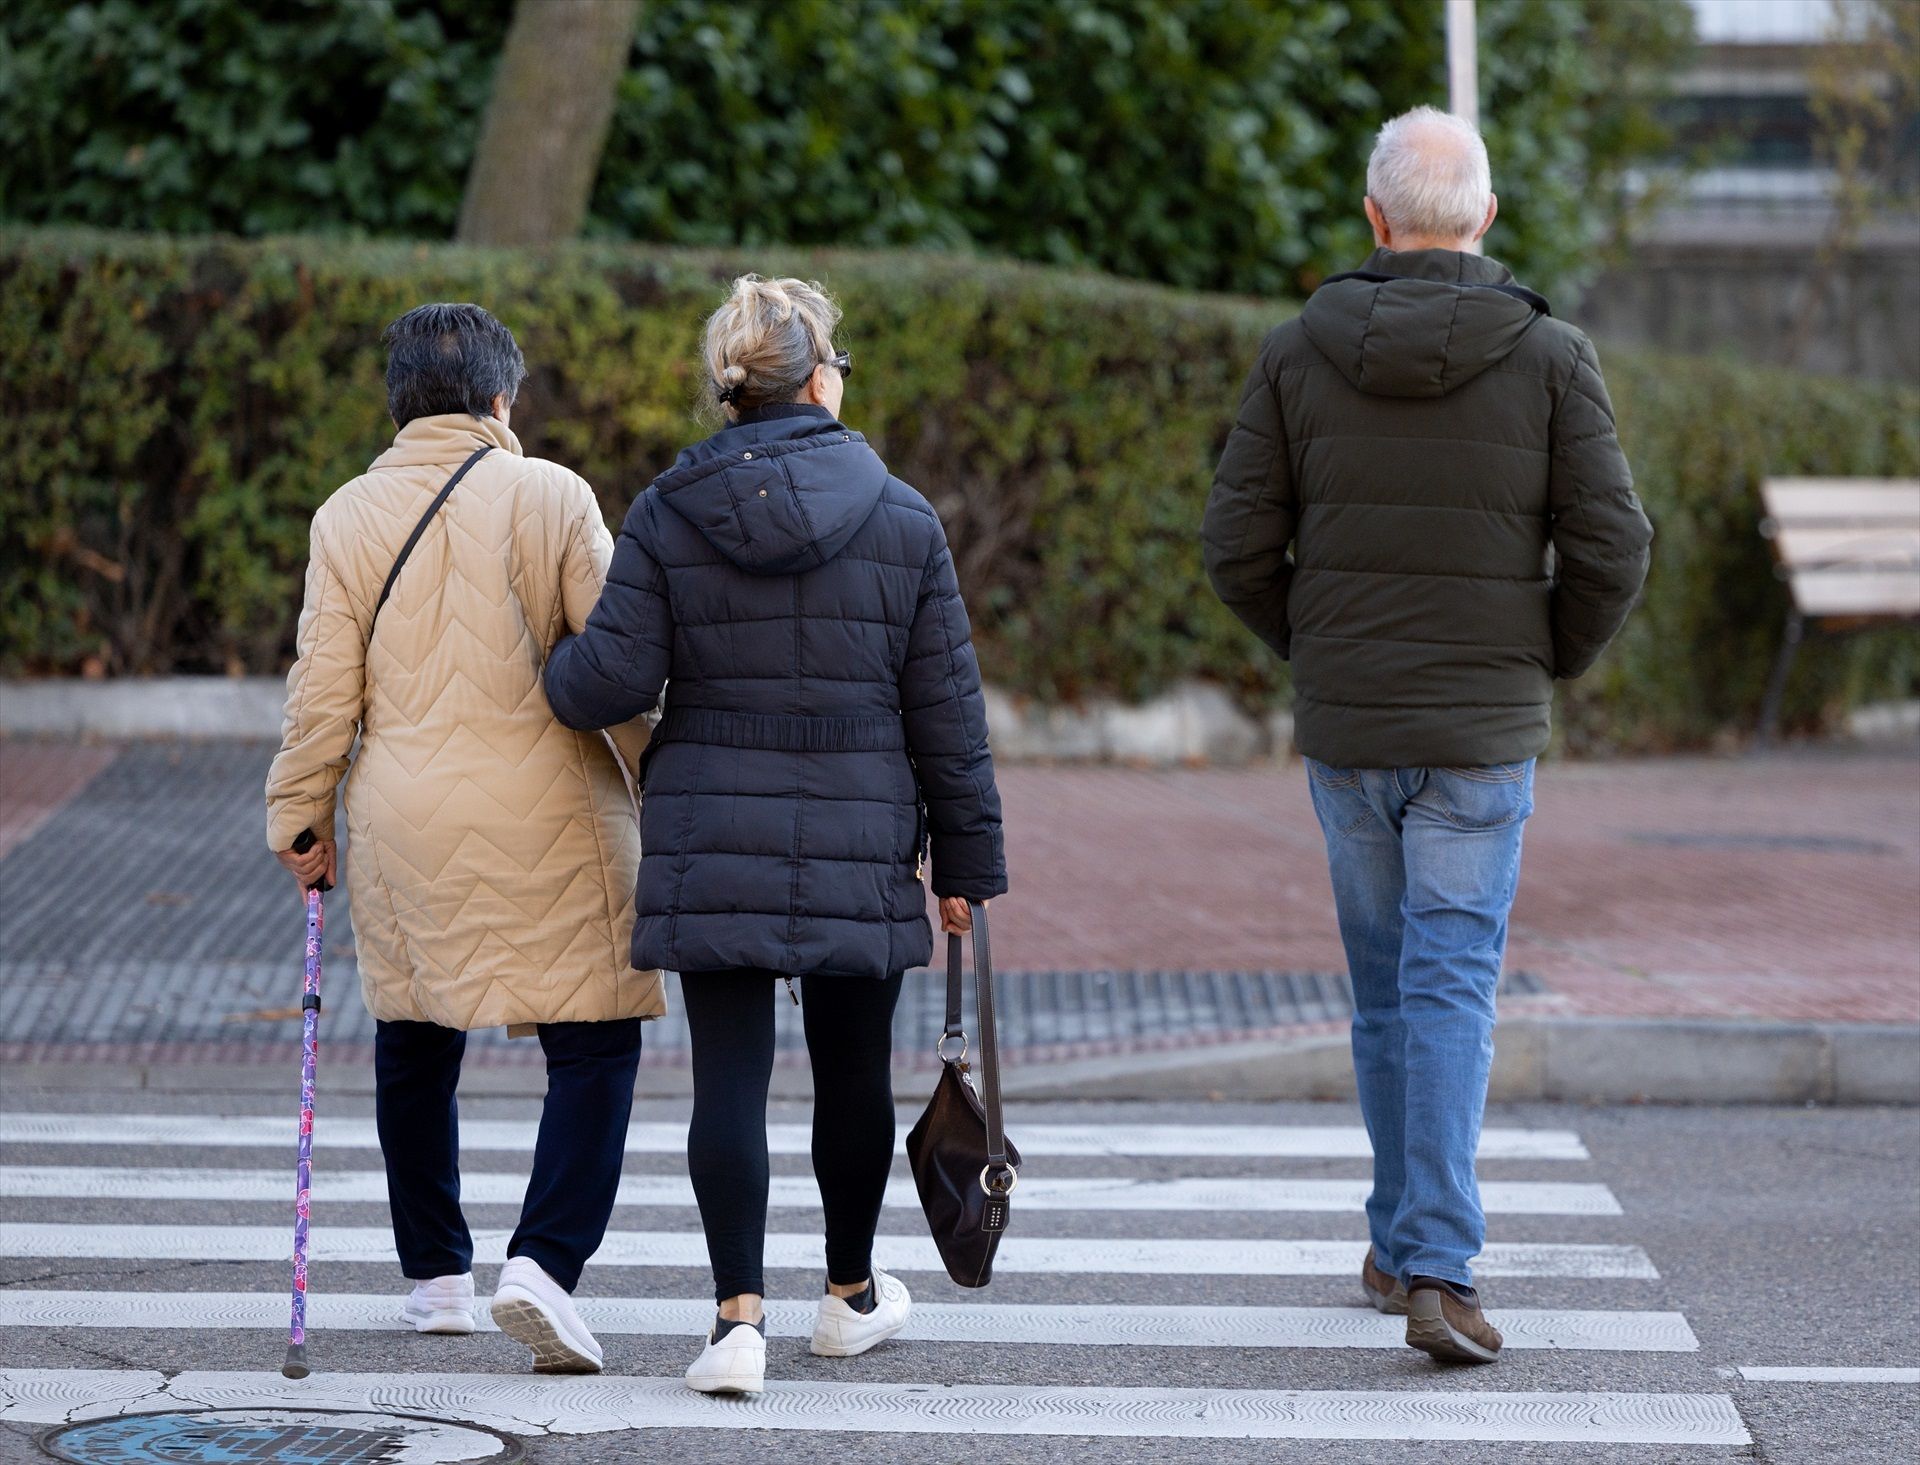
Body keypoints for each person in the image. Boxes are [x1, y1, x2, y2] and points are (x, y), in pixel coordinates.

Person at [1202, 107, 1652, 1364]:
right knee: (1450, 982)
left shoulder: (1298, 352)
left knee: (1383, 990)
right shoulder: (1553, 356)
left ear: (1375, 216)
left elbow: (1234, 547)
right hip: (1481, 732)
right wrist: (1543, 656)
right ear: (1487, 219)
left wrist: (1320, 645)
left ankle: (1403, 1245)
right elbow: (1616, 545)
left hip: (1352, 726)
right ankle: (1437, 1266)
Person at [544, 274, 1007, 1396]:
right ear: (816, 381)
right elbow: (947, 712)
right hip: (862, 827)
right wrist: (966, 864)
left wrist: (552, 662)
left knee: (729, 1079)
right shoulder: (901, 515)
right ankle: (849, 1296)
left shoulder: (668, 510)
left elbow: (608, 680)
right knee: (853, 1072)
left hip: (712, 824)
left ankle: (735, 1323)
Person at [265, 302, 663, 1375]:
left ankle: (437, 1275)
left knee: (414, 1031)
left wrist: (299, 815)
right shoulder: (554, 495)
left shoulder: (345, 516)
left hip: (404, 814)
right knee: (594, 1038)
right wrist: (666, 774)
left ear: (397, 403)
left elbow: (322, 692)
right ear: (501, 398)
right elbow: (619, 668)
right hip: (556, 806)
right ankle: (543, 1262)